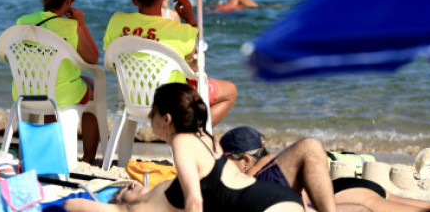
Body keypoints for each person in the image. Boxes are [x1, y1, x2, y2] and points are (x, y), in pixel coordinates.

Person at [64, 83, 304, 212]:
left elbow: (196, 202)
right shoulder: (204, 138)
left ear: (167, 119)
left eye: (153, 112)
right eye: (123, 192)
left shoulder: (183, 144)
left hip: (262, 203)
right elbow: (71, 204)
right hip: (272, 200)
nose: (149, 117)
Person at [220, 127, 430, 212]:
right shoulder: (277, 158)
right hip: (351, 183)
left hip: (346, 194)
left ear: (244, 159)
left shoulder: (254, 175)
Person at [103, 0, 237, 125]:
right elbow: (195, 67)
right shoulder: (182, 31)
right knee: (230, 91)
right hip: (172, 101)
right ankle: (195, 133)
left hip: (133, 98)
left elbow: (111, 62)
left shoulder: (116, 21)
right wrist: (191, 21)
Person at [16, 0, 100, 164]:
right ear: (69, 0)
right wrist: (81, 24)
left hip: (26, 91)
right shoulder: (70, 28)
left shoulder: (22, 22)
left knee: (51, 85)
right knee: (93, 88)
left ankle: (49, 148)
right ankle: (88, 157)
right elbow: (93, 58)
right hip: (61, 93)